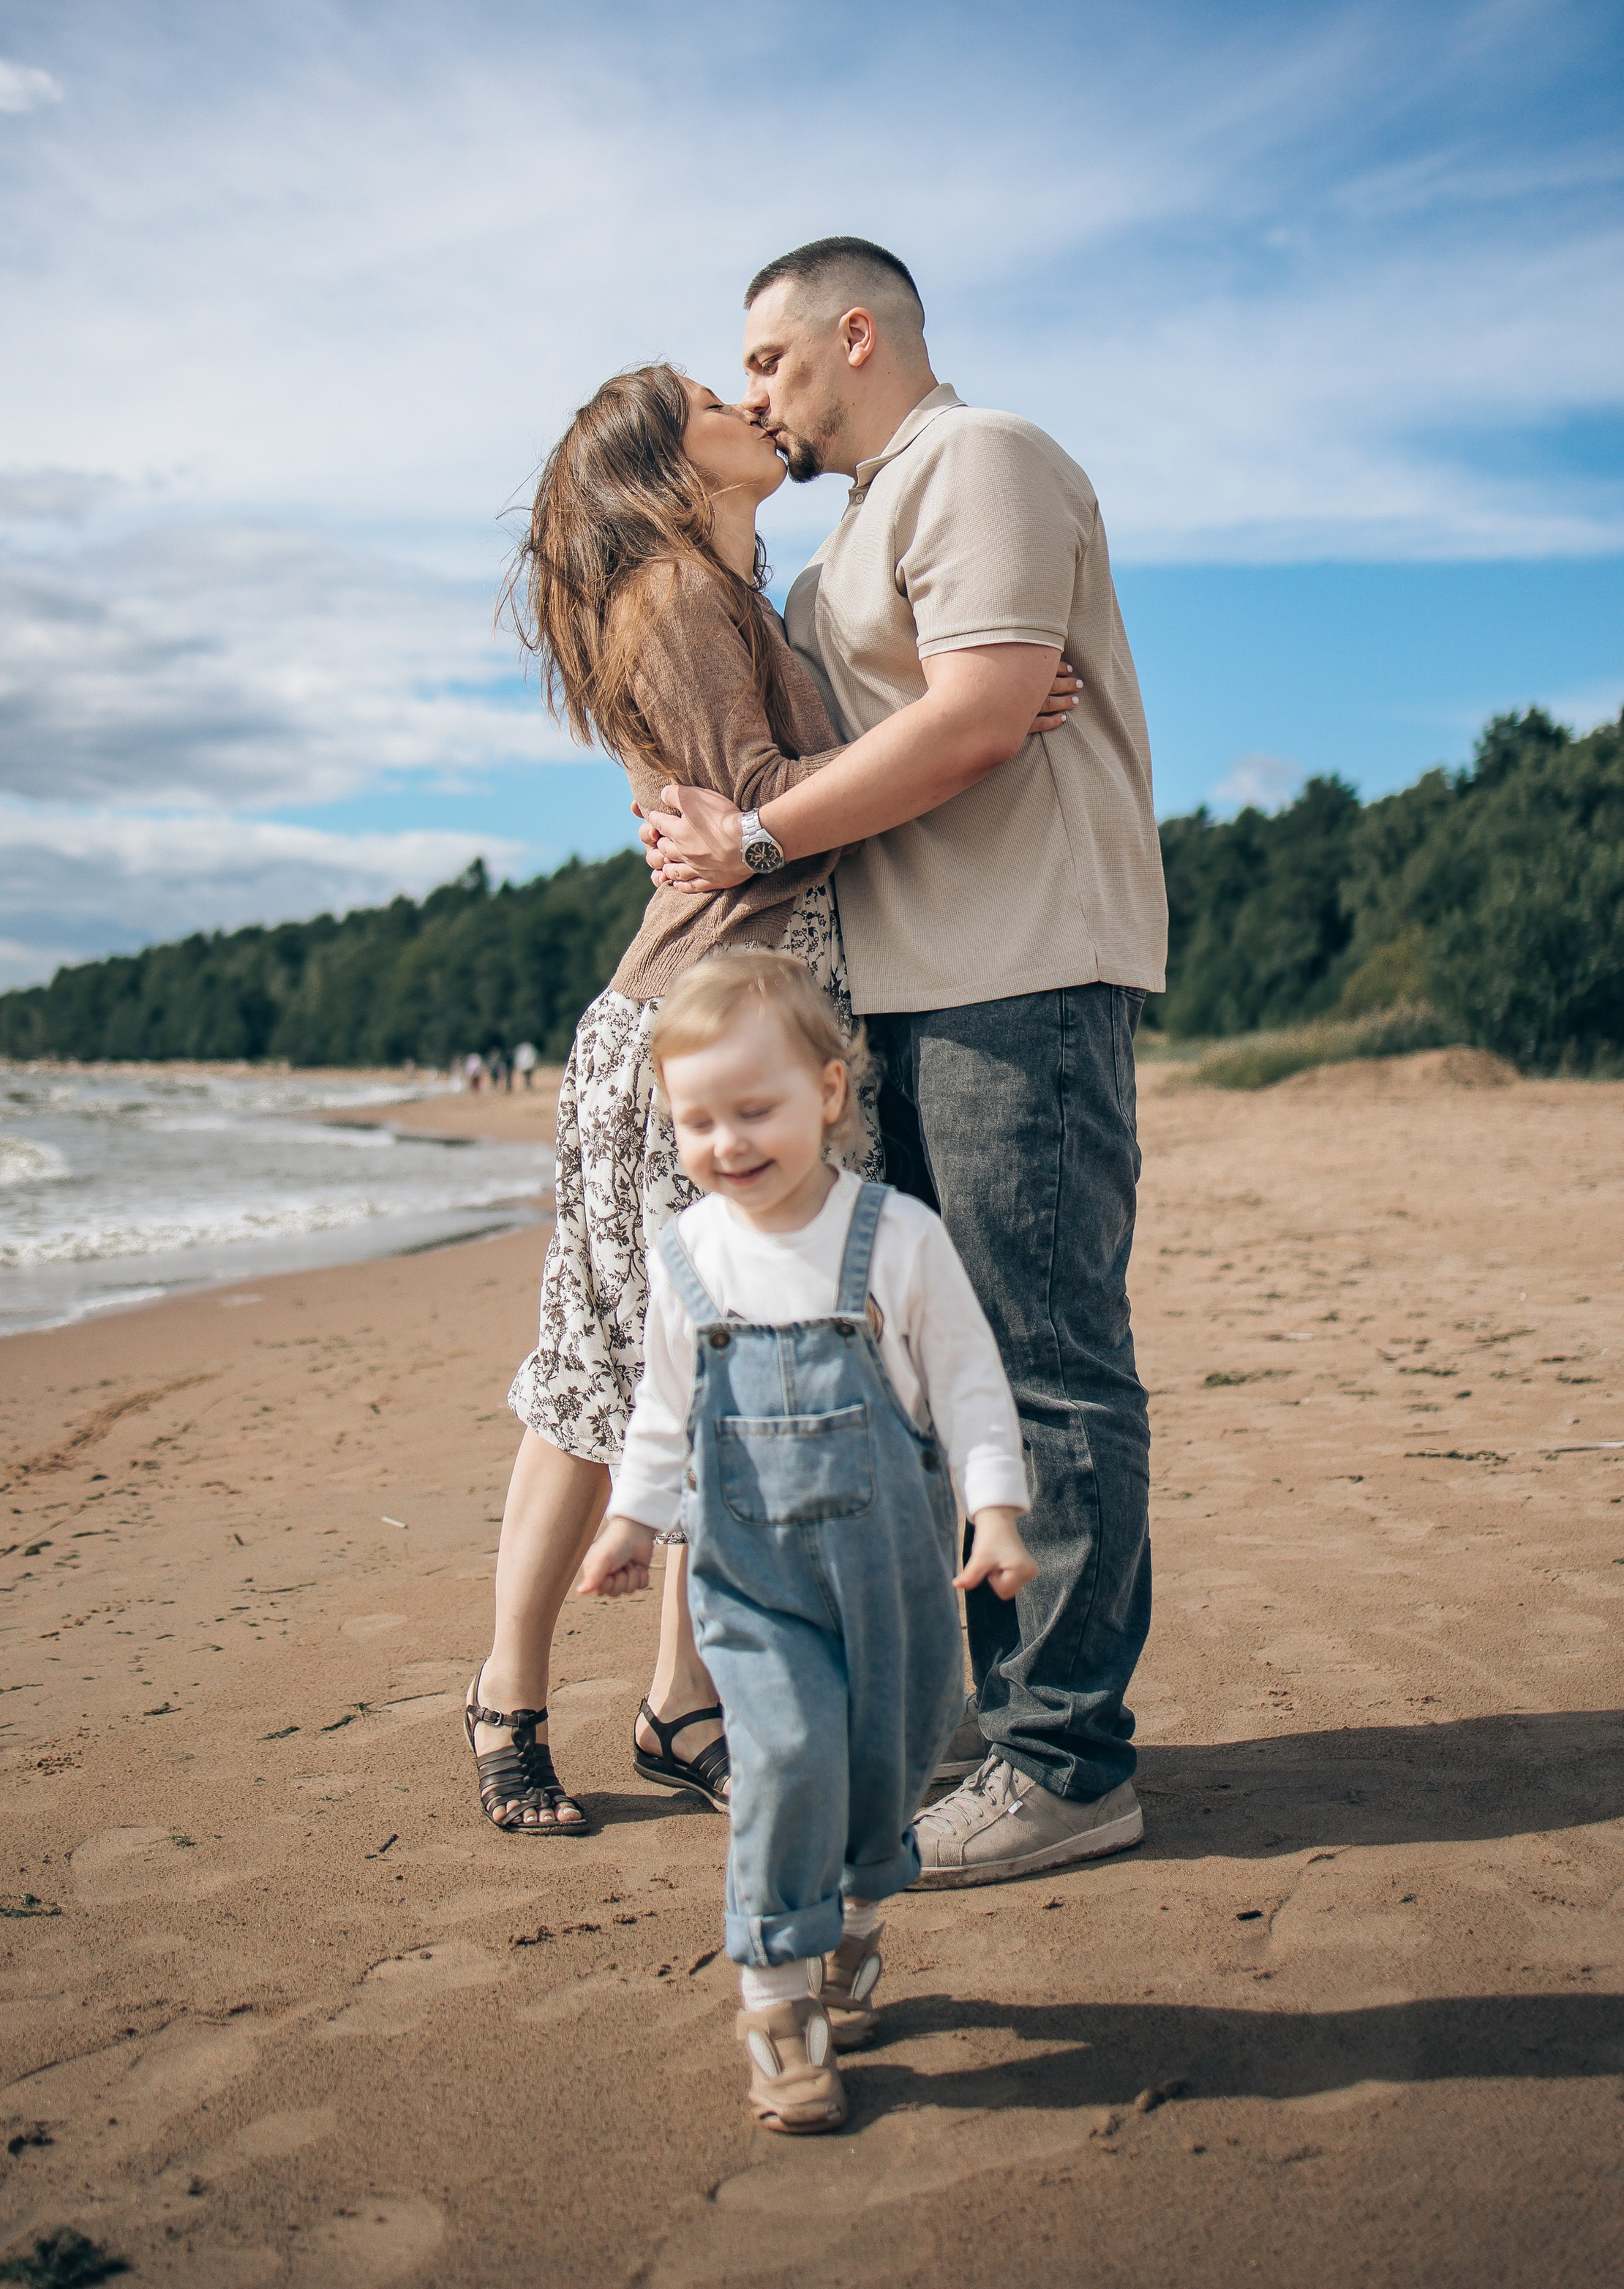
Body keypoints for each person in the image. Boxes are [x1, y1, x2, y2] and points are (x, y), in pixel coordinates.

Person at [465, 358, 1079, 1835]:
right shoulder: (677, 600)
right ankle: (513, 1702)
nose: (743, 403)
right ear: (665, 463)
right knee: (615, 1387)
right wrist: (962, 722)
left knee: (662, 1372)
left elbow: (757, 804)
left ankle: (667, 1705)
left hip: (720, 1019)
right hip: (689, 1032)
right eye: (704, 397)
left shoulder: (731, 592)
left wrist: (941, 714)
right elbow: (769, 823)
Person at [644, 237, 1167, 1887]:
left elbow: (976, 711)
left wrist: (758, 828)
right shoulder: (843, 542)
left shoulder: (978, 459)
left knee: (1045, 1364)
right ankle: (994, 1717)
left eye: (769, 363)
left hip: (1022, 971)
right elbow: (881, 736)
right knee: (942, 1376)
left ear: (852, 334)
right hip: (902, 995)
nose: (752, 398)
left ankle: (1067, 1767)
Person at [577, 951, 1034, 2134]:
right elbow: (663, 1415)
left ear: (831, 1092)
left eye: (756, 1110)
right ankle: (777, 2003)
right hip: (757, 1586)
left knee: (881, 1771)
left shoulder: (898, 1240)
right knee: (780, 1764)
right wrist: (633, 1521)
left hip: (893, 1577)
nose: (727, 1143)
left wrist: (995, 1509)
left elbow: (973, 1386)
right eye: (697, 1121)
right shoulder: (691, 1265)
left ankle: (858, 1918)